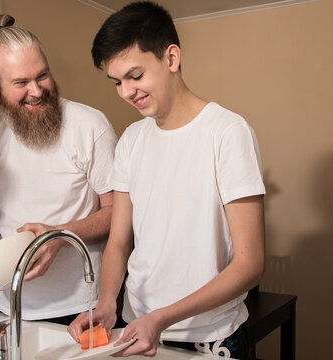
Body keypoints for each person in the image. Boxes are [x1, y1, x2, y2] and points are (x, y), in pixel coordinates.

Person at [68, 2, 266, 358]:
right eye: (117, 82)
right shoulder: (131, 139)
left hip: (210, 337)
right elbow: (119, 240)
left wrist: (162, 318)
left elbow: (250, 264)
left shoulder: (228, 133)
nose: (126, 92)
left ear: (171, 58)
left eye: (135, 76)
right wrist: (108, 303)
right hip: (137, 332)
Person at [0, 14, 117, 324]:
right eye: (21, 82)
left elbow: (118, 213)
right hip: (4, 305)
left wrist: (59, 236)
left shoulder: (91, 126)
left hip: (79, 308)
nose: (37, 90)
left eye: (43, 76)